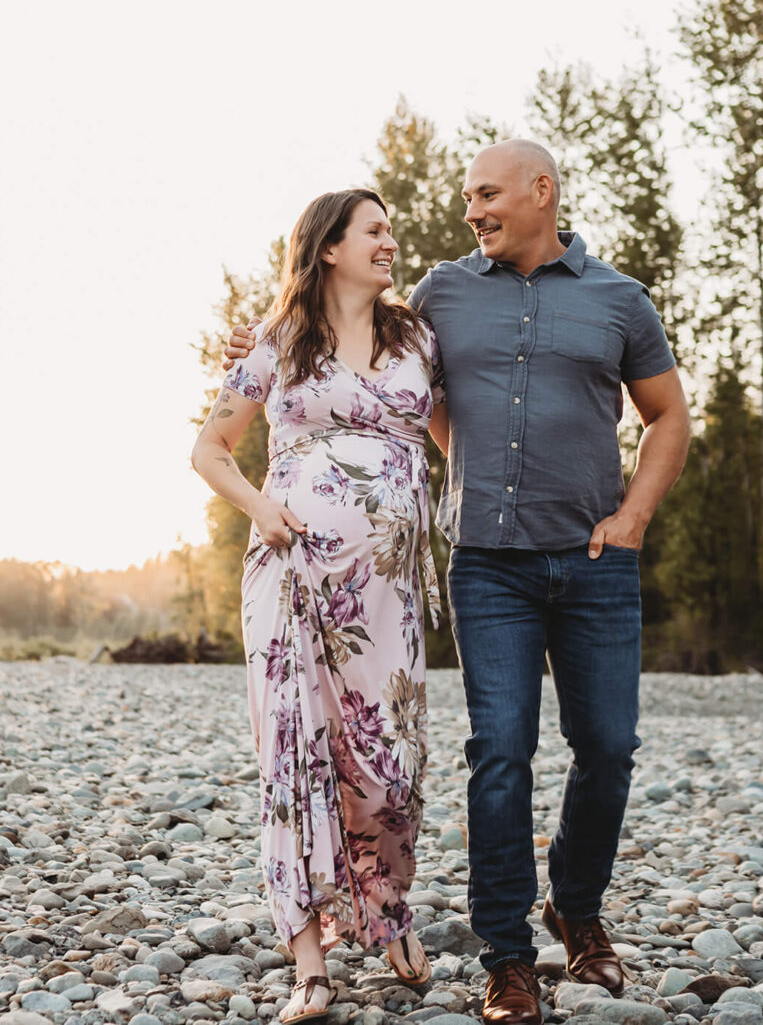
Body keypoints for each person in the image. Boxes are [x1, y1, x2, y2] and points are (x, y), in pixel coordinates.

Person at [225, 141, 690, 1024]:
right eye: (467, 197)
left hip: (595, 562)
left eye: (485, 194)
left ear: (539, 192)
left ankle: (576, 907)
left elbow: (669, 414)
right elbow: (380, 374)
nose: (470, 210)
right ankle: (507, 960)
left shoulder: (619, 299)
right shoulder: (442, 293)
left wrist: (631, 518)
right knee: (500, 754)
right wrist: (260, 342)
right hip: (488, 566)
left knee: (610, 747)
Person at [192, 187, 442, 1024]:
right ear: (329, 246)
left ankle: (384, 908)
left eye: (390, 229)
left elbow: (458, 429)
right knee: (295, 760)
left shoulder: (419, 338)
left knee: (392, 766)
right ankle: (310, 964)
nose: (390, 241)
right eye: (374, 229)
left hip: (389, 591)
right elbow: (209, 448)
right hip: (293, 578)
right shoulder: (278, 341)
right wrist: (262, 510)